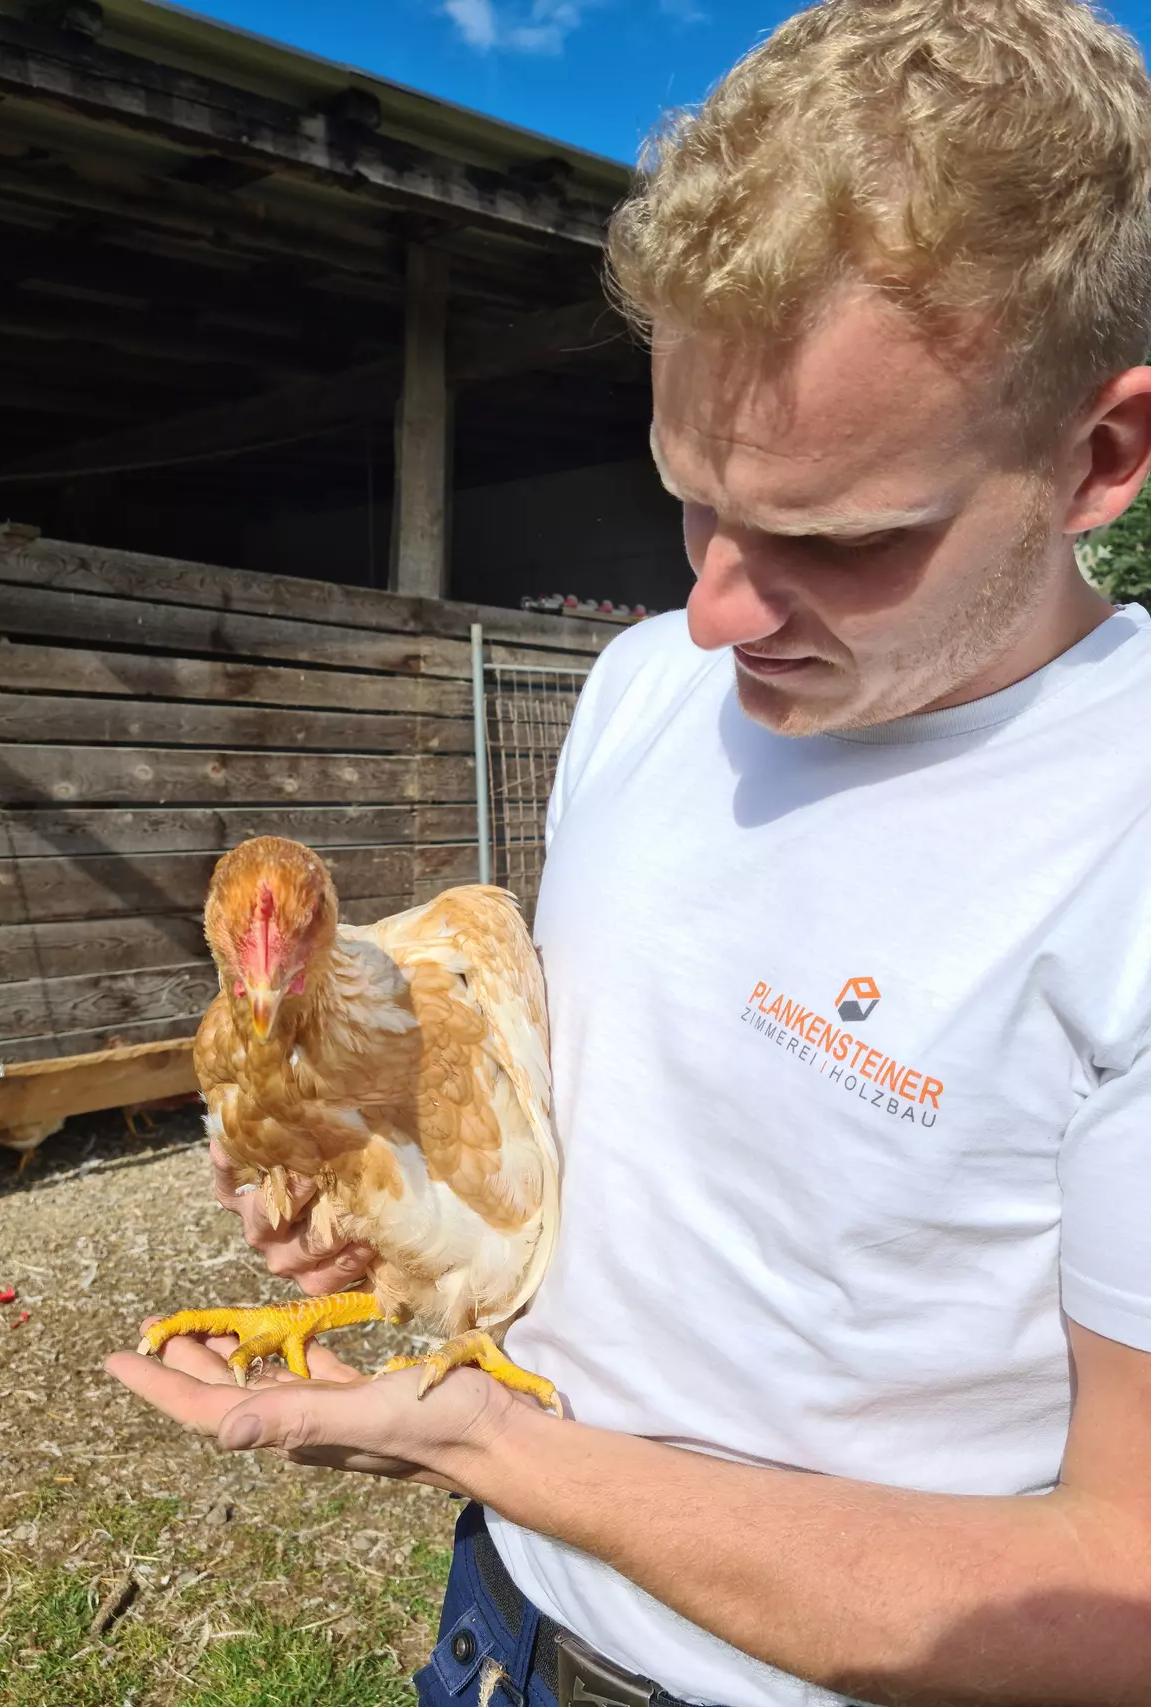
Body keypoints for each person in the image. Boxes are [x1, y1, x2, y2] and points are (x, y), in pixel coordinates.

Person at [106, 1, 1151, 1702]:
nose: (712, 605)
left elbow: (1126, 1597)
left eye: (837, 533)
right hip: (501, 1627)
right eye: (692, 496)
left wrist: (493, 1455)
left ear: (1100, 456)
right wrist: (396, 1213)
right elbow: (631, 1138)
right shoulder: (639, 690)